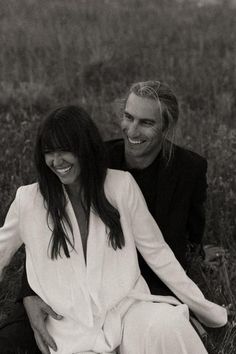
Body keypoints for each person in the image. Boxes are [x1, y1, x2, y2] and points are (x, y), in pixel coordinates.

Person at [0, 83, 218, 353]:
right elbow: (26, 242)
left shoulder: (146, 179)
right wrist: (29, 294)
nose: (133, 130)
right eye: (128, 117)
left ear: (166, 127)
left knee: (168, 326)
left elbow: (165, 250)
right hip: (70, 315)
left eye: (146, 122)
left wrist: (202, 309)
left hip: (129, 299)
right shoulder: (84, 166)